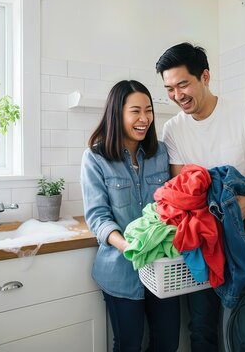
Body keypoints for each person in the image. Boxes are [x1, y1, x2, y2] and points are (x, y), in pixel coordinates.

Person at [156, 42, 245, 351]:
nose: (177, 96)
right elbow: (181, 188)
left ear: (205, 76)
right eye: (169, 89)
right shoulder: (173, 129)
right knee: (202, 327)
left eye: (183, 84)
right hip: (203, 241)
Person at [80, 80, 180, 352]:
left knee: (168, 343)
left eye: (148, 110)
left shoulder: (161, 153)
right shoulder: (95, 157)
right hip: (120, 270)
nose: (144, 119)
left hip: (162, 267)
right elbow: (98, 217)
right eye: (135, 111)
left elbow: (175, 202)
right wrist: (128, 247)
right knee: (128, 346)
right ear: (117, 113)